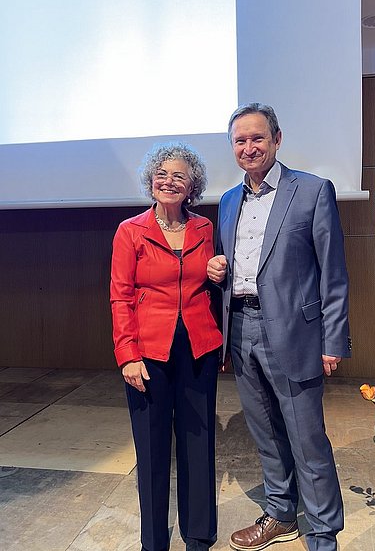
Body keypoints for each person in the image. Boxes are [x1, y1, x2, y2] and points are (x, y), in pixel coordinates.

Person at [207, 103, 351, 551]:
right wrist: (217, 270)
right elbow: (234, 264)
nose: (249, 147)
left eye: (258, 138)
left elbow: (333, 273)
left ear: (277, 139)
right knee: (266, 434)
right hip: (240, 327)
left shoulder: (311, 191)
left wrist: (333, 340)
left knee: (307, 440)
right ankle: (281, 513)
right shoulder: (228, 201)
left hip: (294, 332)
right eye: (240, 140)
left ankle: (323, 533)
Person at [110, 141, 222, 551]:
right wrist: (127, 355)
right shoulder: (130, 230)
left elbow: (212, 284)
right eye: (162, 174)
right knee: (152, 449)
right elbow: (120, 296)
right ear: (151, 181)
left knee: (198, 443)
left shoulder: (205, 228)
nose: (169, 181)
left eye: (179, 176)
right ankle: (154, 541)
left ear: (192, 186)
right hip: (147, 354)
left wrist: (219, 271)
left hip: (199, 349)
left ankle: (199, 536)